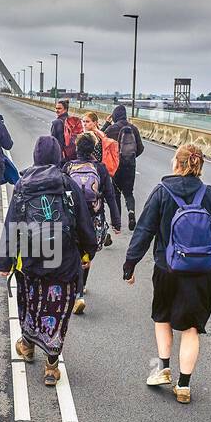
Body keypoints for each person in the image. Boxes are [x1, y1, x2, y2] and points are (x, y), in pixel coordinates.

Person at [123, 143, 211, 404]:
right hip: (202, 272)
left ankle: (163, 367)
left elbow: (144, 231)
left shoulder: (162, 191)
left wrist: (130, 264)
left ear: (177, 164)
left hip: (168, 268)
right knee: (191, 328)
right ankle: (184, 385)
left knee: (162, 317)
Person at [0, 136, 97, 386]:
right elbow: (82, 222)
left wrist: (4, 261)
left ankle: (28, 345)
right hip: (63, 260)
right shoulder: (68, 184)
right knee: (57, 308)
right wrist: (88, 252)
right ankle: (52, 365)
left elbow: (13, 225)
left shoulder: (22, 185)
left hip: (31, 260)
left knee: (30, 302)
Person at [63, 132, 120, 315]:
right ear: (93, 149)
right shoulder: (101, 168)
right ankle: (81, 288)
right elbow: (110, 196)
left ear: (77, 148)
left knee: (73, 253)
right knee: (86, 254)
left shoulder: (68, 167)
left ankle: (76, 291)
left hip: (72, 219)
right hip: (94, 220)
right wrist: (116, 221)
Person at [104, 104, 144, 230]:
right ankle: (131, 212)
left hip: (116, 166)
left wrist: (106, 123)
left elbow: (100, 141)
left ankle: (117, 224)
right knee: (128, 192)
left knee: (115, 194)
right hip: (130, 166)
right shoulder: (133, 128)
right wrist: (130, 158)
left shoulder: (111, 129)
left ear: (115, 115)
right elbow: (140, 148)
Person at [83, 111, 121, 181]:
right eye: (84, 121)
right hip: (101, 169)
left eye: (87, 122)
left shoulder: (89, 136)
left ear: (94, 123)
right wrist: (107, 123)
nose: (85, 124)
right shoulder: (100, 133)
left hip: (91, 170)